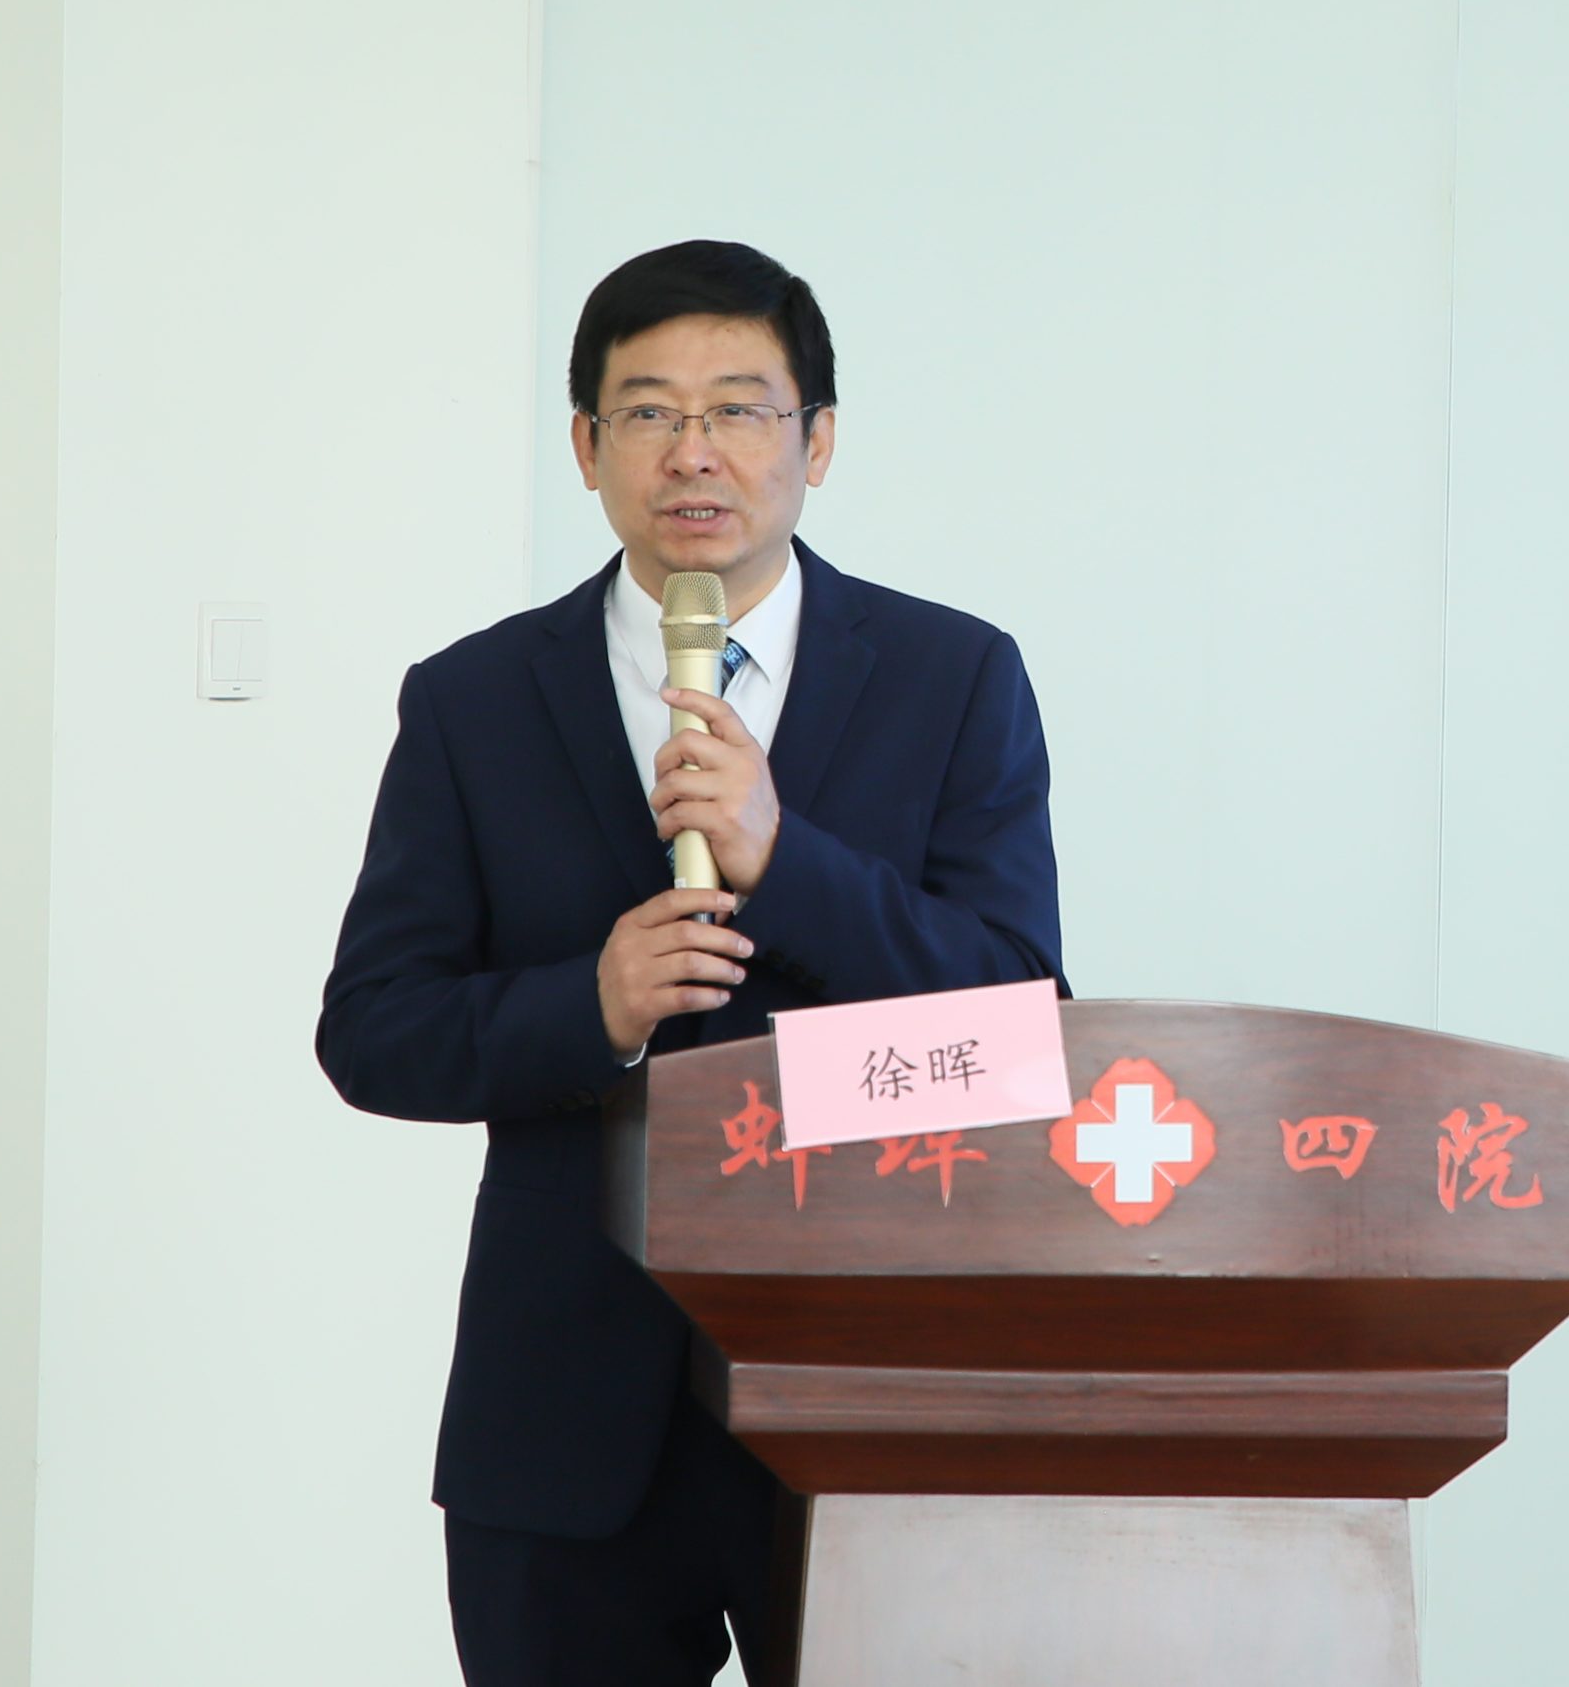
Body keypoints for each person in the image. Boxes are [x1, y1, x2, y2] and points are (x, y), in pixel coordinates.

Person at [316, 239, 1066, 1686]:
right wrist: (588, 1009)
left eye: (739, 409)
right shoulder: (475, 699)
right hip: (565, 1411)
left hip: (867, 1388)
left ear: (818, 441)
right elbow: (374, 1030)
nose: (693, 451)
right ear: (586, 447)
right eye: (649, 411)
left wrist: (792, 865)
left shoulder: (954, 675)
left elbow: (1024, 1028)